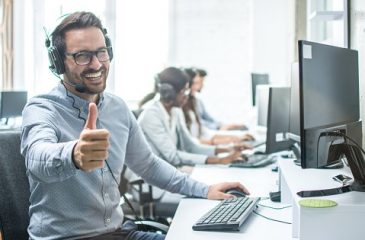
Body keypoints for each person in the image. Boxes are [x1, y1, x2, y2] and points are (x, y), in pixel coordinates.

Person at [20, 12, 249, 240]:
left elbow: (148, 165)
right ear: (58, 62)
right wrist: (73, 154)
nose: (97, 63)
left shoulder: (117, 108)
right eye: (82, 56)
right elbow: (37, 157)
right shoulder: (42, 109)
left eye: (102, 52)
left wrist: (205, 190)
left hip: (118, 232)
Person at [138, 67, 251, 167]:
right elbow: (173, 157)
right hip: (148, 183)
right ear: (170, 93)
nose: (187, 95)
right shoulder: (151, 116)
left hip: (167, 171)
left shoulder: (175, 112)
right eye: (184, 91)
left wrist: (226, 149)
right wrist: (220, 160)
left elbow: (191, 146)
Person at [182, 68, 253, 145]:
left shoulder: (195, 102)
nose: (199, 86)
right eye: (196, 83)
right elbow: (195, 142)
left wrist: (236, 137)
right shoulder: (181, 111)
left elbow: (206, 131)